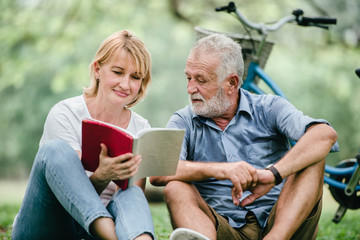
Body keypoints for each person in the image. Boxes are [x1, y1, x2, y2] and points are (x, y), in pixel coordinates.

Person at [150, 33, 339, 240]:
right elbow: (159, 171)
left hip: (283, 227)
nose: (190, 88)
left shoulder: (269, 108)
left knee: (313, 154)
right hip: (221, 228)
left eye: (201, 80)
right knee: (175, 187)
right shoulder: (184, 120)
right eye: (188, 78)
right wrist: (222, 170)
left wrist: (272, 174)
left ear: (232, 83)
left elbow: (324, 134)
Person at [12, 30, 155, 240]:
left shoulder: (141, 129)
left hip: (93, 233)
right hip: (48, 227)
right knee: (55, 150)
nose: (126, 85)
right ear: (98, 69)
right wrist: (101, 177)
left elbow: (132, 199)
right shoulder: (65, 113)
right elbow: (68, 197)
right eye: (117, 72)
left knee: (132, 192)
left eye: (135, 77)